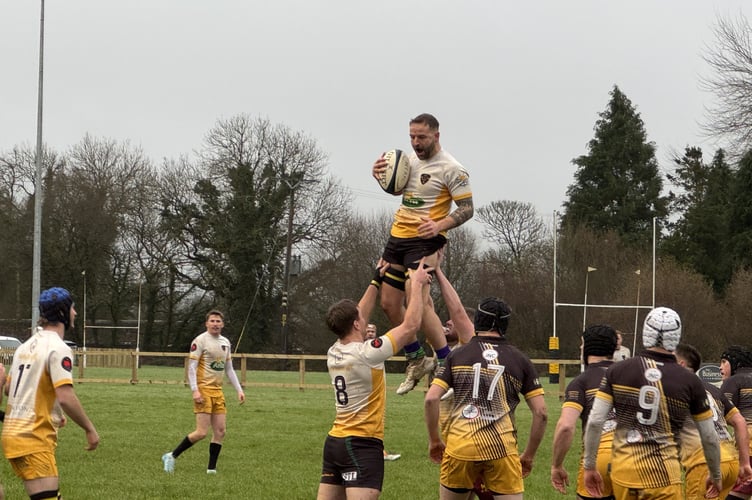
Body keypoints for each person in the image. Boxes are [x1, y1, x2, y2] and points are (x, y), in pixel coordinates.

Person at [371, 113, 474, 395]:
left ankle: (445, 362)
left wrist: (439, 226)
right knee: (389, 304)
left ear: (436, 136)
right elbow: (399, 191)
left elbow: (467, 209)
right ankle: (416, 358)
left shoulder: (452, 168)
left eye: (422, 137)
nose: (416, 143)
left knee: (419, 298)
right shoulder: (408, 162)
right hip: (398, 237)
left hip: (426, 241)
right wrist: (380, 176)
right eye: (412, 137)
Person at [317, 259, 431, 500]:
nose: (365, 317)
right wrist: (418, 286)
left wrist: (375, 279)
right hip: (362, 444)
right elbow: (410, 326)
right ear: (357, 324)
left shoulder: (333, 350)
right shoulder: (368, 353)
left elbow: (358, 313)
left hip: (335, 442)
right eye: (361, 318)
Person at [582, 307, 722, 499]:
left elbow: (596, 421)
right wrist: (715, 474)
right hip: (664, 476)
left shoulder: (617, 371)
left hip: (624, 472)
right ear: (676, 336)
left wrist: (589, 465)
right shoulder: (689, 380)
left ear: (645, 332)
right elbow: (709, 436)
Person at [424, 297, 548, 499]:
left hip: (459, 448)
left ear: (479, 321)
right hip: (502, 449)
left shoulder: (457, 355)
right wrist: (529, 455)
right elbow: (541, 413)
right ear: (505, 324)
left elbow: (431, 399)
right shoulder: (520, 359)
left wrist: (434, 440)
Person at [1, 287, 99, 500]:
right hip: (32, 437)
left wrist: (52, 411)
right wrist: (90, 429)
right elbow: (65, 396)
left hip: (14, 435)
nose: (75, 313)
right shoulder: (58, 348)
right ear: (63, 313)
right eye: (73, 308)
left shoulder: (25, 347)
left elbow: (12, 388)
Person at [162, 309, 245, 474]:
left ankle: (211, 469)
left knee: (220, 431)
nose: (215, 324)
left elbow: (229, 369)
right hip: (203, 390)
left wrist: (239, 390)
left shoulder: (226, 342)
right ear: (206, 323)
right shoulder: (200, 341)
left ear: (223, 324)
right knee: (201, 432)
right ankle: (171, 455)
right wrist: (195, 390)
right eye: (212, 321)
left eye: (218, 321)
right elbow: (191, 368)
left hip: (218, 391)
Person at [675, 343, 752, 500]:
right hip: (730, 461)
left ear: (680, 364)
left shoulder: (675, 387)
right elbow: (739, 421)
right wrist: (744, 463)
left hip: (706, 462)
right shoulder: (713, 389)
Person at [551, 324, 618, 499]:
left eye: (582, 344)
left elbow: (566, 426)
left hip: (599, 459)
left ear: (587, 348)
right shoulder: (632, 377)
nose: (580, 348)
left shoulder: (581, 382)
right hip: (634, 459)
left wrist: (556, 465)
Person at [365, 323, 401, 462]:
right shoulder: (362, 349)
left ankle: (378, 450)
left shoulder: (377, 347)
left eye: (372, 331)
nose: (370, 333)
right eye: (367, 331)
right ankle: (378, 452)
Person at [720, 345, 752, 500]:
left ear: (734, 363)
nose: (720, 368)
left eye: (723, 362)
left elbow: (720, 415)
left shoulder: (733, 381)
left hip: (749, 448)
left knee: (735, 496)